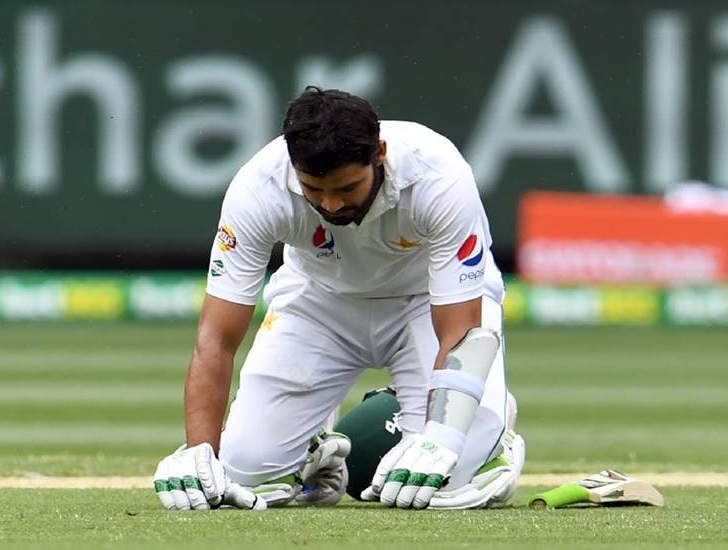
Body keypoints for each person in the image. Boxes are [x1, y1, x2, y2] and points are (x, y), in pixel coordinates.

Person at [153, 86, 524, 511]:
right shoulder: (258, 189)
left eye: (347, 188)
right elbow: (216, 336)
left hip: (426, 301)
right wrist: (199, 451)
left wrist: (441, 439)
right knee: (240, 474)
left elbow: (459, 328)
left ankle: (495, 440)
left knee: (450, 479)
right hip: (318, 303)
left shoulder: (438, 176)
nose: (331, 205)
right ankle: (317, 457)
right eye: (313, 189)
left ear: (379, 153)